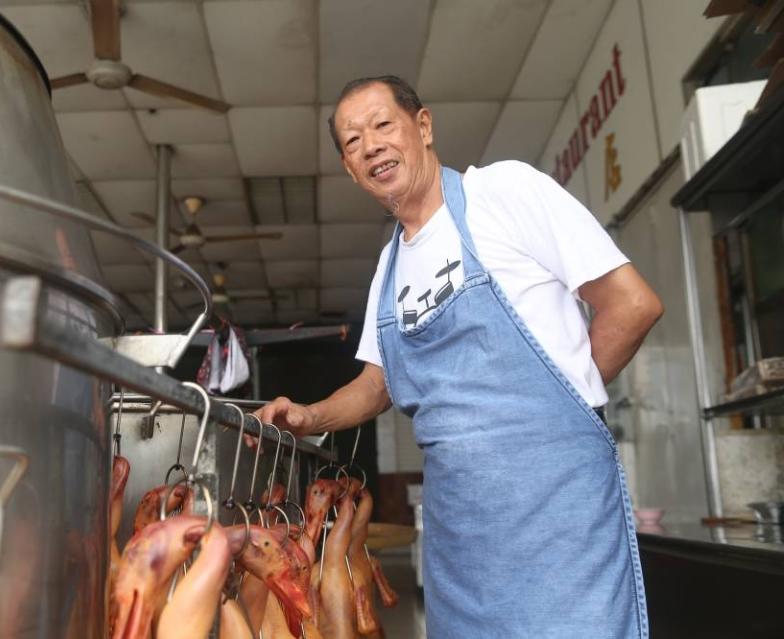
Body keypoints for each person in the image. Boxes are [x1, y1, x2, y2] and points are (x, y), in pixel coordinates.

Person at [255, 76, 662, 638]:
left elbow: (632, 304)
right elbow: (378, 384)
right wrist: (308, 417)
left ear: (423, 127)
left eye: (382, 125)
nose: (370, 145)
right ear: (350, 170)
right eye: (352, 142)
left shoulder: (504, 193)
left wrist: (554, 408)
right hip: (460, 527)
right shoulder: (388, 269)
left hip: (557, 506)